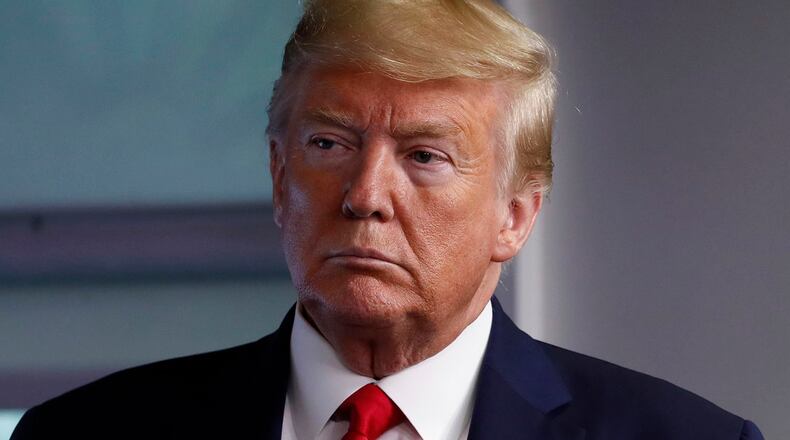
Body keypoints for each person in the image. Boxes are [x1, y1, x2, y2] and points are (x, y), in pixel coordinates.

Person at [11, 1, 764, 439]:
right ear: (280, 180)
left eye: (426, 156)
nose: (365, 194)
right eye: (330, 143)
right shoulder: (81, 438)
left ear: (515, 215)